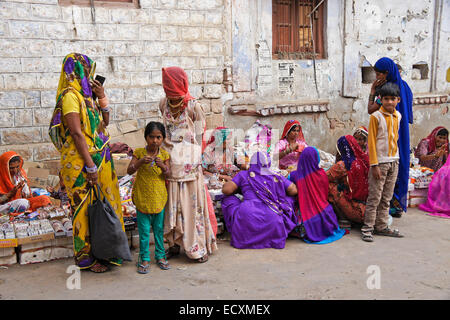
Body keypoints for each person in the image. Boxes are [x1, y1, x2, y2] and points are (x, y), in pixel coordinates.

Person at [48, 53, 127, 273]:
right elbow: (76, 133)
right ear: (78, 71)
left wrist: (102, 96)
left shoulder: (87, 96)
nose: (90, 75)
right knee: (83, 209)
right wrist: (90, 166)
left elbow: (105, 123)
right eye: (87, 70)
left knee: (106, 205)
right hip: (81, 162)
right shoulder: (70, 97)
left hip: (102, 158)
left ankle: (108, 251)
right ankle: (86, 258)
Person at [159, 66, 217, 263]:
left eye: (174, 92)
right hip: (169, 166)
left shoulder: (194, 107)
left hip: (189, 167)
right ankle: (173, 245)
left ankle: (197, 247)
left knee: (191, 208)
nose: (172, 97)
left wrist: (194, 161)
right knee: (171, 206)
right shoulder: (163, 104)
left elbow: (201, 137)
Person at [221, 151, 298, 249]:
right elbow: (294, 190)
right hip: (273, 217)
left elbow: (226, 190)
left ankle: (240, 233)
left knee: (227, 198)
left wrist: (235, 185)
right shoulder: (276, 176)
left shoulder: (244, 175)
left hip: (247, 215)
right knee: (289, 199)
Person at [368, 57, 413, 214]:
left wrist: (373, 91)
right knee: (399, 164)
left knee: (386, 166)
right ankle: (396, 205)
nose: (377, 78)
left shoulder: (385, 90)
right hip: (402, 131)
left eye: (378, 74)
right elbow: (410, 115)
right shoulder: (405, 87)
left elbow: (370, 109)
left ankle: (387, 207)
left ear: (386, 73)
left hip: (388, 131)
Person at [362, 82, 405, 242]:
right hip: (380, 163)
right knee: (375, 197)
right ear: (380, 99)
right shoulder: (376, 117)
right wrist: (374, 164)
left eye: (392, 99)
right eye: (386, 99)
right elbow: (371, 142)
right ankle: (367, 228)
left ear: (398, 100)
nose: (389, 102)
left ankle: (381, 226)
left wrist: (397, 159)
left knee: (386, 197)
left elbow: (396, 139)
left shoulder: (398, 116)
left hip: (394, 160)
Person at [127, 121, 171, 274]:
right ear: (146, 137)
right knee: (145, 232)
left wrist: (163, 166)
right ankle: (144, 258)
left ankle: (160, 256)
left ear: (163, 138)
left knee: (158, 230)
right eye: (151, 137)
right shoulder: (139, 153)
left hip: (159, 198)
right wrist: (139, 162)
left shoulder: (164, 154)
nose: (155, 141)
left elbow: (169, 174)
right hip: (142, 198)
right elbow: (129, 170)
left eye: (158, 137)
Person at [289, 147, 345, 244]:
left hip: (306, 220)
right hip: (327, 216)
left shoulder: (295, 176)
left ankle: (300, 230)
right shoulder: (322, 174)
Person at [327, 136, 370, 228]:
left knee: (328, 186)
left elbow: (324, 177)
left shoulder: (343, 165)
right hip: (370, 211)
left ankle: (344, 219)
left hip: (356, 211)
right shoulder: (364, 161)